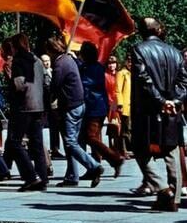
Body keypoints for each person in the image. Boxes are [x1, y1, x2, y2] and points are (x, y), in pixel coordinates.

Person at [130, 17, 187, 211]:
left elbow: (144, 79)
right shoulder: (175, 52)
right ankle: (175, 199)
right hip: (171, 109)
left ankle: (163, 188)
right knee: (172, 150)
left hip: (147, 109)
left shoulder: (139, 50)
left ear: (141, 31)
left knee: (140, 150)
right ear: (158, 30)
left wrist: (161, 101)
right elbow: (184, 81)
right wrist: (174, 101)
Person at [46, 35, 103, 188]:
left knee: (70, 142)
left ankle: (94, 166)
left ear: (52, 50)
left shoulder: (59, 64)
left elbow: (55, 86)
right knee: (70, 141)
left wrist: (48, 100)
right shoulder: (68, 59)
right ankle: (72, 176)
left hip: (70, 106)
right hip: (79, 104)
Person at [7, 33, 48, 191]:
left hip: (24, 106)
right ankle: (42, 177)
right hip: (38, 105)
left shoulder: (19, 60)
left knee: (15, 142)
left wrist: (10, 85)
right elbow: (45, 81)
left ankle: (31, 176)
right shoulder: (37, 60)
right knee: (37, 143)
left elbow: (20, 84)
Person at [78, 42, 124, 177]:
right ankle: (95, 166)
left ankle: (114, 158)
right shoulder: (97, 66)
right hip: (99, 105)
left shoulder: (90, 68)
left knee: (90, 137)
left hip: (93, 105)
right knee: (94, 137)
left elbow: (85, 84)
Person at [42, 53, 63, 159]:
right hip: (47, 104)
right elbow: (47, 87)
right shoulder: (42, 74)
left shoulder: (53, 71)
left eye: (48, 60)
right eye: (44, 61)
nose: (46, 63)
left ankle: (55, 149)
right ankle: (49, 149)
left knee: (55, 127)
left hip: (54, 104)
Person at [116, 54, 132, 157]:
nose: (131, 63)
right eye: (129, 61)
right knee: (125, 129)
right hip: (125, 105)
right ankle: (123, 150)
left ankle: (131, 148)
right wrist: (120, 104)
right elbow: (117, 90)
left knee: (131, 128)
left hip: (134, 105)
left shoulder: (134, 73)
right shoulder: (122, 73)